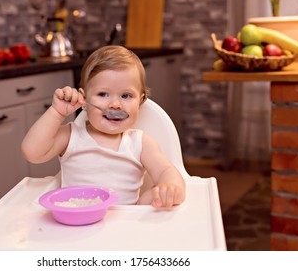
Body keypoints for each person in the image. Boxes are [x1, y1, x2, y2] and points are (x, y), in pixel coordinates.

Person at [21, 45, 185, 207]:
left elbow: (166, 171)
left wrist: (169, 187)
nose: (115, 104)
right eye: (103, 94)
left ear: (140, 102)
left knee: (152, 198)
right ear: (84, 99)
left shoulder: (141, 143)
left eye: (126, 95)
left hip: (124, 225)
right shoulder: (72, 136)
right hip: (77, 224)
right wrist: (56, 112)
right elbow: (32, 152)